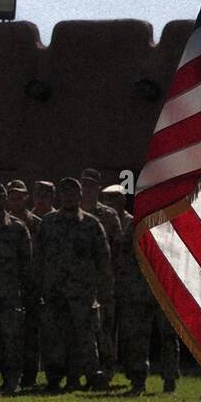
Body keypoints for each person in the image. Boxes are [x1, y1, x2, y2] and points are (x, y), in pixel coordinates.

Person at [37, 177, 109, 391]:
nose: (69, 196)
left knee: (84, 338)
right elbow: (37, 258)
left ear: (79, 196)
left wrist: (103, 291)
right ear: (60, 196)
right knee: (55, 337)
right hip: (54, 292)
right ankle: (54, 379)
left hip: (82, 293)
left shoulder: (91, 224)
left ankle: (82, 377)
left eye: (73, 193)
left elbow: (103, 259)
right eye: (65, 193)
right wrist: (39, 286)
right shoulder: (48, 223)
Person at [0, 182, 33, 394]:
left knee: (10, 340)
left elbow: (27, 265)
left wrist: (27, 295)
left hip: (9, 296)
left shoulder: (17, 228)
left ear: (5, 199)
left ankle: (11, 381)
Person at [79, 167, 120, 389]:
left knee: (105, 328)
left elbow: (118, 249)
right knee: (85, 329)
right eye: (84, 184)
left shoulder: (108, 215)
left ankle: (107, 371)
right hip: (80, 284)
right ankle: (88, 371)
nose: (87, 189)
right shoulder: (71, 213)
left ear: (98, 187)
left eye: (91, 185)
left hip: (103, 283)